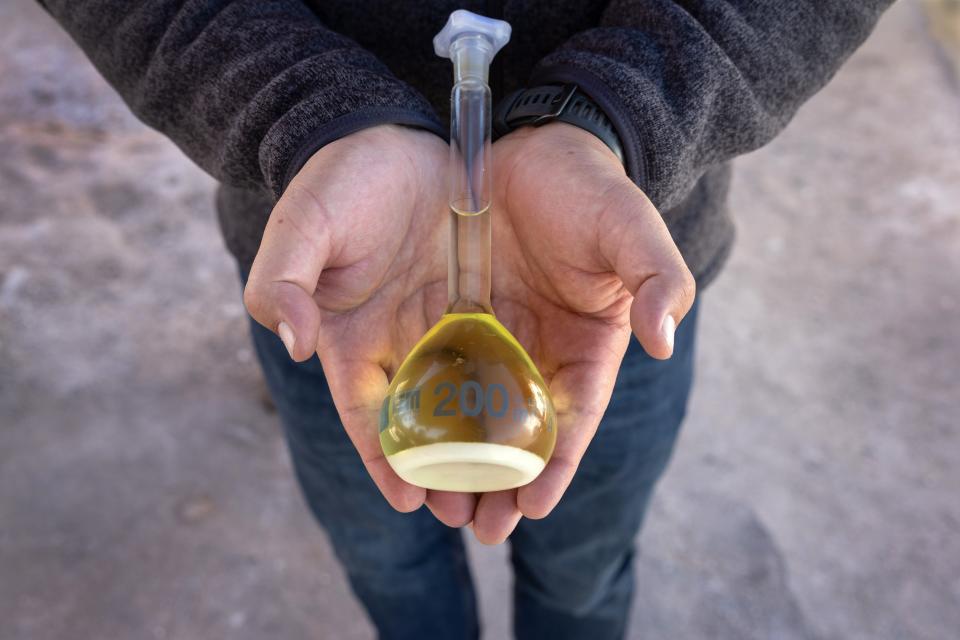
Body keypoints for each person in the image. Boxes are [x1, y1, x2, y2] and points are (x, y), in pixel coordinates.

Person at [40, 1, 892, 638]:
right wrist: (303, 111)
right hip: (343, 266)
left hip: (598, 267)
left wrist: (621, 114)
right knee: (384, 555)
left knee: (583, 568)